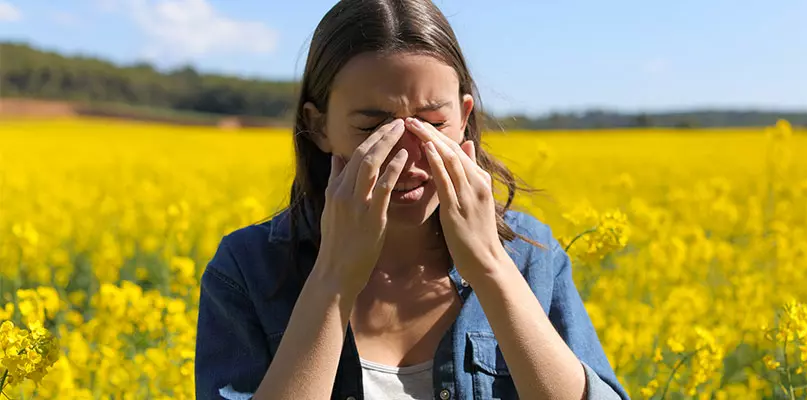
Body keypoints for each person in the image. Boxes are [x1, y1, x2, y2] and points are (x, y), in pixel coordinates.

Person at [194, 1, 629, 399]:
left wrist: (491, 266)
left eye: (432, 123)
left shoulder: (532, 256)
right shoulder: (245, 270)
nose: (405, 157)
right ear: (319, 126)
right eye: (372, 129)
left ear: (464, 119)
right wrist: (332, 281)